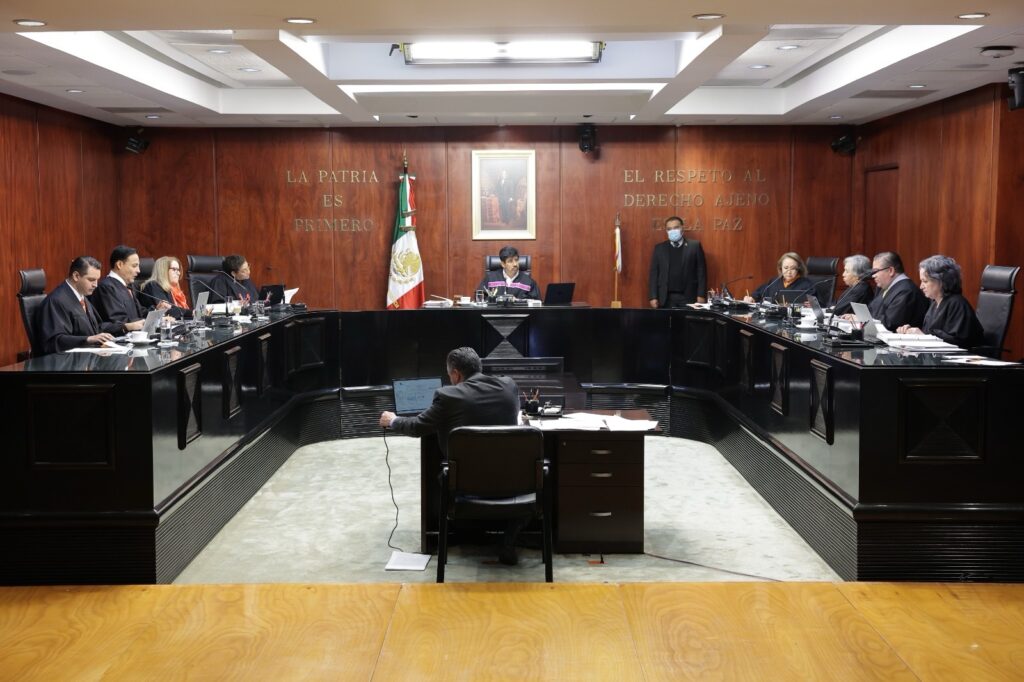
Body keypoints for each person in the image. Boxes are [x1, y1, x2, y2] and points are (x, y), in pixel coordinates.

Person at [378, 347, 521, 564]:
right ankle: (508, 539)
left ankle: (470, 533)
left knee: (443, 475)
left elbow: (417, 426)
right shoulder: (509, 386)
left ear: (456, 374)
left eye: (449, 375)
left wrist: (393, 420)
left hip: (464, 484)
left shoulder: (448, 396)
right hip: (513, 482)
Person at [37, 256, 125, 354]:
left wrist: (122, 328)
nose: (95, 285)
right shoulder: (56, 301)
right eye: (91, 280)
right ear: (76, 276)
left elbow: (95, 328)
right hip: (68, 361)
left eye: (97, 280)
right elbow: (55, 342)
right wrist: (88, 339)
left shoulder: (82, 297)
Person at [897, 255, 985, 348]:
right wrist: (911, 332)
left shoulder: (957, 304)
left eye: (925, 281)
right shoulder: (934, 302)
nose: (921, 286)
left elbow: (958, 342)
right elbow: (929, 332)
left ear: (941, 281)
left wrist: (923, 337)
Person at [91, 245, 169, 326]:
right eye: (134, 266)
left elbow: (140, 313)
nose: (138, 271)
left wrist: (157, 311)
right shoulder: (106, 287)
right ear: (119, 264)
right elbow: (119, 321)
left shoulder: (127, 286)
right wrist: (145, 321)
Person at [860, 251, 929, 331]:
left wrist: (864, 319)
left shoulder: (906, 291)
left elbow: (890, 324)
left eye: (876, 271)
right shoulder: (885, 288)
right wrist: (859, 317)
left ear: (891, 271)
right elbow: (871, 310)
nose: (873, 275)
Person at [648, 216, 707, 308]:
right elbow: (654, 274)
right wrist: (653, 296)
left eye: (676, 228)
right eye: (669, 229)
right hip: (666, 298)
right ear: (666, 231)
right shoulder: (659, 248)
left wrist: (701, 295)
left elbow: (701, 272)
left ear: (682, 228)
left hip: (689, 297)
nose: (673, 231)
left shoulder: (694, 246)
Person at [745, 252, 812, 303]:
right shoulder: (774, 282)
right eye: (786, 268)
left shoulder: (806, 285)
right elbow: (758, 294)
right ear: (781, 268)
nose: (789, 272)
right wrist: (751, 298)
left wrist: (809, 304)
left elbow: (814, 303)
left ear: (799, 269)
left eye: (793, 268)